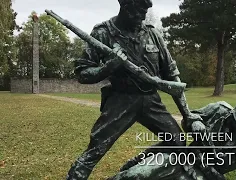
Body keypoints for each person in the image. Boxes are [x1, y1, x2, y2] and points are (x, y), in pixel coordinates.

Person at [66, 0, 203, 179]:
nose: (142, 16)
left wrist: (187, 114)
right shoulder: (103, 33)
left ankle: (137, 165)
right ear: (125, 6)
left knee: (177, 141)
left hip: (151, 100)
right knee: (96, 149)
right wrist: (109, 67)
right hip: (121, 101)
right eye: (138, 11)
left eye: (145, 11)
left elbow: (172, 75)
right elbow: (83, 73)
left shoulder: (153, 34)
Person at [113, 100, 236, 180]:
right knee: (136, 174)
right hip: (184, 157)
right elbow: (189, 118)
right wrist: (195, 122)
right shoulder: (219, 109)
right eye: (234, 120)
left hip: (207, 176)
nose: (235, 125)